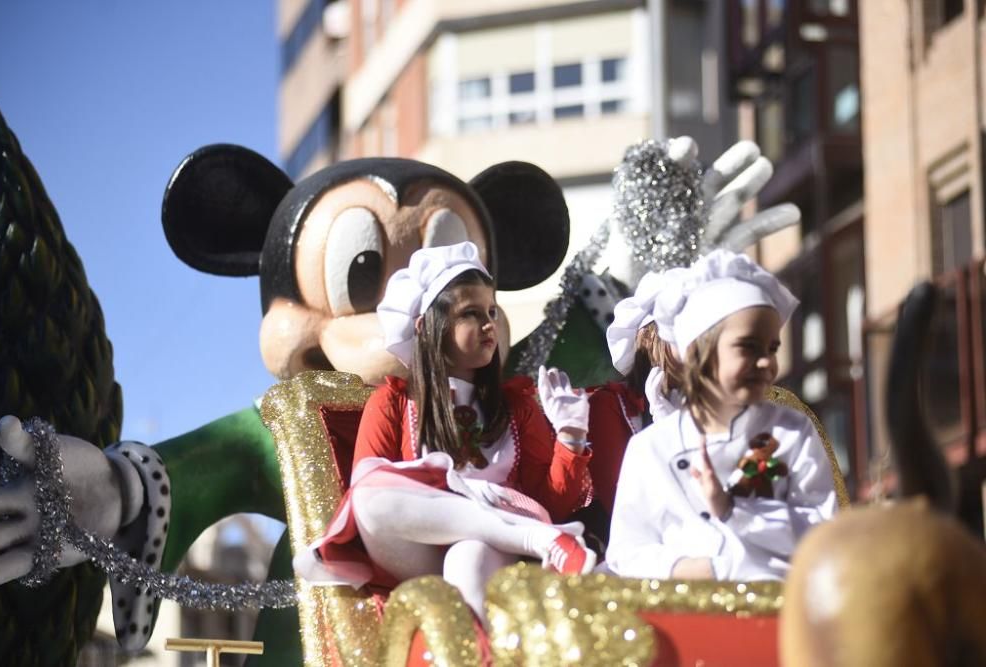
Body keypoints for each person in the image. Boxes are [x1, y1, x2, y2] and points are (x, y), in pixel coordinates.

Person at [293, 242, 596, 619]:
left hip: (497, 556)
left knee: (468, 558)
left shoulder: (515, 406)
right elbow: (372, 500)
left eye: (491, 311)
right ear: (426, 327)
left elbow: (552, 503)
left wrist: (570, 436)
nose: (490, 325)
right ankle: (543, 540)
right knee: (370, 491)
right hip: (418, 557)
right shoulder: (392, 404)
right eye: (471, 313)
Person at [605, 249, 837, 581]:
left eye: (772, 349)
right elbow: (627, 555)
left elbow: (822, 532)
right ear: (698, 351)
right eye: (748, 347)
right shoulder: (651, 448)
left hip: (779, 617)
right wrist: (695, 568)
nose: (767, 363)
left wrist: (734, 512)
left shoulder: (790, 433)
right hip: (689, 621)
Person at [589, 270, 686, 517]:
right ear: (652, 336)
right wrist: (668, 436)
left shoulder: (716, 398)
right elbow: (624, 506)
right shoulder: (610, 406)